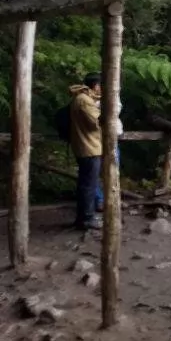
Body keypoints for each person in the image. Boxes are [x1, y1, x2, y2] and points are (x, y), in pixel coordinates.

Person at [69, 73, 103, 230]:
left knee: (86, 184)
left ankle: (82, 218)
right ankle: (87, 219)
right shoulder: (84, 100)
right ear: (96, 86)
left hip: (88, 146)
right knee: (89, 185)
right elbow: (95, 124)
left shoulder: (84, 99)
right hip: (89, 147)